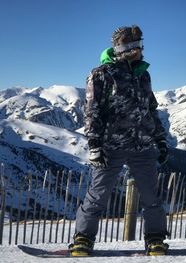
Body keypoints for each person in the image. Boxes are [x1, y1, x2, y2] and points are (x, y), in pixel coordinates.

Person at [69, 25, 169, 256]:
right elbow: (92, 111)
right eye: (135, 46)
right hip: (111, 146)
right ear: (123, 49)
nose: (140, 50)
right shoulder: (101, 74)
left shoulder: (143, 74)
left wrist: (160, 140)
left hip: (142, 145)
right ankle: (83, 238)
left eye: (141, 45)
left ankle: (155, 239)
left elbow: (150, 109)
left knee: (151, 196)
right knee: (98, 194)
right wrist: (94, 144)